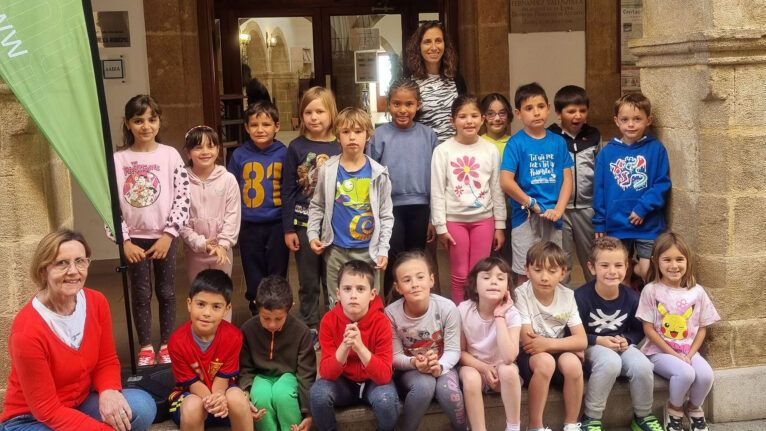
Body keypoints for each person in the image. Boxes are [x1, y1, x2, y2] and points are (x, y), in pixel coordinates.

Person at [0, 229, 156, 430]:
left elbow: (106, 360)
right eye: (61, 263)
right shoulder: (27, 331)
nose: (73, 271)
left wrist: (109, 391)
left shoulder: (96, 302)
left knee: (142, 406)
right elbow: (47, 410)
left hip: (79, 405)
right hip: (31, 419)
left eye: (80, 261)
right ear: (43, 271)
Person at [113, 94, 190, 366]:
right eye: (138, 120)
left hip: (164, 239)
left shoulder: (170, 155)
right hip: (133, 240)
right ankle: (146, 345)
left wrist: (170, 234)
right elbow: (109, 202)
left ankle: (167, 344)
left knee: (167, 291)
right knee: (141, 294)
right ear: (127, 123)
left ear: (159, 122)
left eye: (151, 119)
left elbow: (183, 195)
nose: (146, 126)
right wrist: (124, 240)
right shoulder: (118, 159)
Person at [308, 107, 394, 306]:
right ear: (338, 136)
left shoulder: (379, 173)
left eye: (358, 131)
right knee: (337, 303)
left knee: (368, 304)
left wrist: (383, 249)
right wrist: (313, 235)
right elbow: (317, 205)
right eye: (346, 132)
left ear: (368, 135)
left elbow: (386, 214)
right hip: (336, 249)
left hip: (368, 250)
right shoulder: (328, 170)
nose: (352, 137)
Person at [574, 237, 661, 431]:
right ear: (592, 267)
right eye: (604, 265)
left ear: (626, 266)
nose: (612, 271)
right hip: (590, 346)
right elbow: (571, 332)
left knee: (643, 365)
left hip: (620, 345)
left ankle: (643, 416)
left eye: (618, 265)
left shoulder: (631, 297)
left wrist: (627, 340)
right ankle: (591, 417)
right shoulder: (580, 297)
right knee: (610, 362)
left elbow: (638, 329)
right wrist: (598, 340)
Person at [636, 232, 719, 431]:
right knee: (686, 373)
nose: (674, 265)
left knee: (706, 375)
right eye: (667, 260)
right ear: (656, 261)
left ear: (687, 260)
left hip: (688, 351)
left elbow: (701, 328)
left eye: (679, 259)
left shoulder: (697, 291)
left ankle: (692, 407)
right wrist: (674, 354)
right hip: (658, 352)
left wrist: (690, 354)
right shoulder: (651, 290)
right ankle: (674, 409)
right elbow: (648, 328)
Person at [431, 95, 506, 304]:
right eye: (462, 116)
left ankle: (478, 317)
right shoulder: (442, 151)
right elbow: (436, 191)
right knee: (460, 274)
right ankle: (459, 320)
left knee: (480, 272)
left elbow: (497, 190)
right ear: (452, 121)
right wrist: (440, 227)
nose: (469, 121)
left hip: (484, 220)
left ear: (482, 119)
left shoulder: (490, 150)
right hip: (454, 222)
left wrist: (499, 225)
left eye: (474, 116)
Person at [367, 77, 439, 297]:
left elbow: (436, 180)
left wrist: (432, 219)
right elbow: (370, 176)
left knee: (416, 258)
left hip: (420, 207)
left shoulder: (429, 136)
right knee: (393, 258)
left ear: (418, 105)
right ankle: (391, 306)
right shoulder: (379, 136)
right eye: (397, 103)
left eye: (409, 104)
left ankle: (416, 305)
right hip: (390, 209)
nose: (402, 109)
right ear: (389, 104)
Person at [309, 260, 400, 431]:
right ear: (338, 293)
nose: (353, 295)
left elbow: (384, 376)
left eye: (360, 289)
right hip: (343, 383)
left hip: (373, 383)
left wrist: (359, 348)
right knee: (318, 394)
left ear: (372, 294)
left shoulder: (382, 322)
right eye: (347, 289)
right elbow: (327, 373)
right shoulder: (328, 321)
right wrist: (344, 347)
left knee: (387, 399)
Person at [592, 93, 671, 283]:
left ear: (648, 120)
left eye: (637, 119)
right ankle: (627, 308)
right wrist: (599, 222)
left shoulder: (656, 149)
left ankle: (637, 280)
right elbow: (600, 190)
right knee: (620, 274)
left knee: (647, 271)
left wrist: (643, 208)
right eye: (625, 119)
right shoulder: (606, 153)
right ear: (616, 121)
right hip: (617, 225)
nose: (631, 124)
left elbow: (662, 183)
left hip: (648, 224)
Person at [501, 83, 574, 285]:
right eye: (529, 108)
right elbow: (506, 181)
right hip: (526, 216)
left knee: (552, 269)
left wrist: (559, 210)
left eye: (541, 107)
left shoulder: (558, 142)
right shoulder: (515, 144)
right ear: (518, 113)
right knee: (525, 271)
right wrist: (531, 203)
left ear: (549, 108)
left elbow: (567, 178)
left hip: (553, 216)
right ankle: (525, 315)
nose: (536, 113)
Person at [385, 251, 466, 431]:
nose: (414, 284)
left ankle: (462, 428)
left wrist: (440, 366)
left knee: (449, 390)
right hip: (410, 370)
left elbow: (453, 350)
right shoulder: (391, 314)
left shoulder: (447, 308)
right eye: (407, 280)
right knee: (425, 385)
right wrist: (414, 362)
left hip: (444, 363)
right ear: (398, 287)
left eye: (420, 277)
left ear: (431, 280)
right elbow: (395, 357)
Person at [282, 86, 340, 329]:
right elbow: (287, 190)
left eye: (320, 111)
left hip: (335, 224)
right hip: (303, 224)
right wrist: (288, 229)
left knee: (333, 278)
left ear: (331, 113)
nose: (314, 117)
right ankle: (310, 326)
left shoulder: (341, 145)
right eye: (308, 112)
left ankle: (334, 324)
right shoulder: (296, 147)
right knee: (307, 280)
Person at [167, 269, 255, 430]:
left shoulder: (234, 336)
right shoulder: (176, 342)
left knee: (236, 398)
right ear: (189, 304)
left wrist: (219, 399)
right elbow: (193, 385)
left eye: (216, 307)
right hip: (189, 398)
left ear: (227, 309)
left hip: (223, 400)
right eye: (200, 304)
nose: (206, 313)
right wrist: (212, 402)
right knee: (192, 406)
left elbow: (222, 380)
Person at [515, 241, 586, 431]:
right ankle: (535, 426)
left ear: (563, 273)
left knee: (572, 364)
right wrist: (568, 344)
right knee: (546, 362)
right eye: (538, 270)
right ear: (527, 270)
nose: (544, 277)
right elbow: (528, 342)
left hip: (552, 348)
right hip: (529, 356)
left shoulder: (568, 296)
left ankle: (571, 424)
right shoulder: (521, 294)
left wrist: (550, 344)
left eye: (552, 271)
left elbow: (582, 340)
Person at [228, 100, 289, 315]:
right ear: (246, 128)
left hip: (276, 224)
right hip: (249, 225)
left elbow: (288, 189)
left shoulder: (284, 153)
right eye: (254, 125)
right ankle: (257, 312)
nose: (260, 130)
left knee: (277, 272)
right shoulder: (239, 155)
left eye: (266, 124)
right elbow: (232, 190)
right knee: (253, 272)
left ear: (276, 127)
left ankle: (278, 311)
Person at [239, 276, 317, 431]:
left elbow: (306, 374)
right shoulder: (248, 330)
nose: (272, 324)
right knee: (260, 396)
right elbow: (245, 368)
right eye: (266, 318)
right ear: (256, 306)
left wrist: (308, 413)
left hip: (289, 377)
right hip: (260, 377)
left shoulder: (301, 332)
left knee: (283, 394)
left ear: (290, 307)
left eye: (278, 319)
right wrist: (245, 395)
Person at [180, 125, 241, 321]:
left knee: (221, 295)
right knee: (199, 295)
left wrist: (223, 245)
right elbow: (181, 220)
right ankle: (201, 337)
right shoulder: (181, 181)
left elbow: (233, 216)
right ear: (188, 152)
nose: (205, 152)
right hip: (195, 252)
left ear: (218, 149)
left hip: (221, 253)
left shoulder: (228, 180)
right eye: (198, 147)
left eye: (211, 146)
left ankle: (224, 337)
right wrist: (201, 243)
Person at [458, 256, 521, 431]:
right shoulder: (463, 310)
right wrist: (483, 368)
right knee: (470, 377)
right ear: (475, 286)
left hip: (501, 373)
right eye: (486, 277)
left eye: (500, 278)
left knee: (509, 370)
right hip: (475, 368)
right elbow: (460, 352)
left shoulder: (512, 314)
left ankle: (513, 427)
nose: (494, 282)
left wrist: (499, 316)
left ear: (507, 287)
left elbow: (509, 357)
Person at [547, 85, 602, 286]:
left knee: (592, 259)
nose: (577, 115)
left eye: (582, 110)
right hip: (560, 209)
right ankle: (564, 308)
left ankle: (596, 303)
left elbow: (599, 170)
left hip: (588, 209)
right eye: (571, 111)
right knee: (562, 261)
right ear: (558, 113)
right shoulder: (550, 137)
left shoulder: (594, 135)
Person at [405, 20, 466, 144]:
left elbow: (466, 114)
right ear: (419, 47)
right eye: (427, 42)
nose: (434, 47)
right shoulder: (410, 83)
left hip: (454, 152)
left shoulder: (457, 80)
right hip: (424, 152)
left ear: (445, 45)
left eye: (438, 41)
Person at [480, 93, 514, 272]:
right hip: (485, 214)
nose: (497, 118)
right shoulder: (477, 144)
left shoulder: (515, 143)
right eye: (491, 113)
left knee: (509, 261)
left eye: (502, 113)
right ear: (483, 117)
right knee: (488, 262)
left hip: (512, 213)